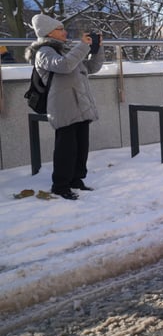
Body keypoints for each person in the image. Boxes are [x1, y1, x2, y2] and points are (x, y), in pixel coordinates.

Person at [25, 14, 104, 200]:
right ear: (48, 32)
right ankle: (60, 185)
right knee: (66, 149)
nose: (65, 32)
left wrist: (97, 48)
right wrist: (82, 46)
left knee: (81, 147)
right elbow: (65, 66)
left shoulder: (63, 51)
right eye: (60, 29)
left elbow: (92, 67)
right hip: (63, 107)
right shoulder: (44, 52)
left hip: (80, 105)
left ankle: (76, 179)